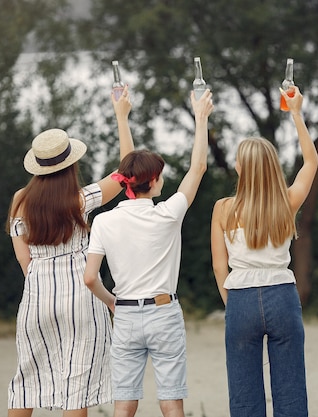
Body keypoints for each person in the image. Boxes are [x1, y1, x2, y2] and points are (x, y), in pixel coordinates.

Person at [83, 89, 214, 417]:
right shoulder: (168, 213)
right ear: (153, 182)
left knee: (124, 406)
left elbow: (89, 278)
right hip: (163, 312)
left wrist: (111, 301)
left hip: (125, 314)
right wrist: (201, 117)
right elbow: (198, 167)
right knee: (171, 404)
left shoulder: (104, 221)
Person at [6, 87, 135, 417]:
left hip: (37, 298)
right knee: (76, 390)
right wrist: (122, 117)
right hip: (81, 297)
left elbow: (24, 258)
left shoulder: (20, 200)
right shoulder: (80, 198)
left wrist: (41, 284)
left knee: (25, 384)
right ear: (70, 163)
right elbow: (126, 173)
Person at [210, 86, 318, 417]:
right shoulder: (286, 202)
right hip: (283, 296)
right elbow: (311, 160)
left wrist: (234, 303)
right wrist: (296, 113)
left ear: (241, 169)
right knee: (290, 391)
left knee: (244, 396)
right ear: (272, 167)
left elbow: (219, 267)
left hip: (241, 298)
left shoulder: (223, 209)